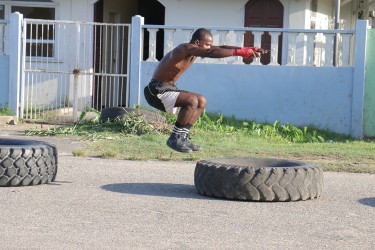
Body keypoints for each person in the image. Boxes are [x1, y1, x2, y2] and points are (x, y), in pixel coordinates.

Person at [144, 28, 266, 153]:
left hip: (168, 89)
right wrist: (239, 52)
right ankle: (174, 138)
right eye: (207, 44)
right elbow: (211, 52)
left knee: (201, 101)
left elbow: (220, 47)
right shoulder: (185, 48)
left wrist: (248, 49)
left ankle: (182, 137)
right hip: (155, 91)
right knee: (191, 101)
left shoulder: (195, 50)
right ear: (197, 42)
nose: (209, 47)